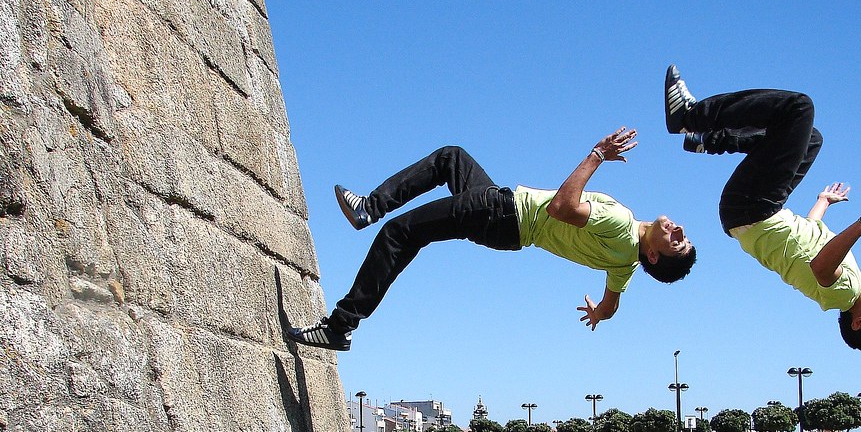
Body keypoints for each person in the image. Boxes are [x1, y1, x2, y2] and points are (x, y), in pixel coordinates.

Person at [287, 127, 697, 351]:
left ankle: (341, 323)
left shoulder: (622, 225)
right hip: (504, 215)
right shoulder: (624, 264)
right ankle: (371, 207)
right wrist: (597, 314)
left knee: (400, 233)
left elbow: (561, 208)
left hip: (504, 214)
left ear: (656, 258)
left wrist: (595, 155)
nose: (677, 231)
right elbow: (610, 308)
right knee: (451, 158)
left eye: (677, 242)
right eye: (683, 234)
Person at [663, 65, 861, 351]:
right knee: (811, 139)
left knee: (798, 108)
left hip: (753, 208)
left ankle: (690, 117)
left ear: (858, 323)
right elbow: (812, 235)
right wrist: (823, 203)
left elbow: (822, 264)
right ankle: (704, 141)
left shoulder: (844, 296)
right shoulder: (850, 283)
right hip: (755, 211)